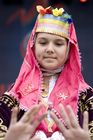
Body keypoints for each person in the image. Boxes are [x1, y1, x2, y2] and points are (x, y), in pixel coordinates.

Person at [0, 5, 93, 140]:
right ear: (32, 47)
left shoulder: (86, 97)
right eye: (43, 42)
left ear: (69, 50)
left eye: (58, 43)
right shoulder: (14, 96)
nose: (50, 49)